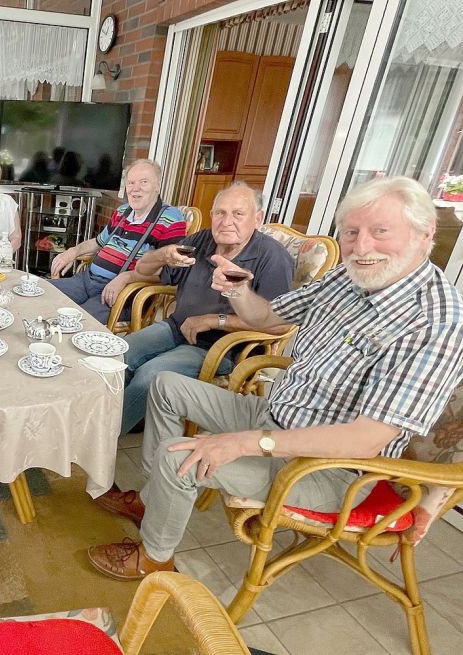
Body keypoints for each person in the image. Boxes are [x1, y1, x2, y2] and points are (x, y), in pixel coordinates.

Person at [86, 176, 463, 581]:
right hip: (275, 413)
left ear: (426, 234)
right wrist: (236, 290)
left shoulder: (434, 321)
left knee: (181, 456)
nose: (362, 246)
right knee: (163, 386)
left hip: (330, 467)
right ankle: (150, 499)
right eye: (352, 232)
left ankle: (155, 558)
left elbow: (367, 438)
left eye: (380, 232)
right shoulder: (347, 279)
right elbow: (269, 317)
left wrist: (245, 443)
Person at [114, 182, 294, 435]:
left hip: (221, 347)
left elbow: (282, 323)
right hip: (176, 328)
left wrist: (214, 320)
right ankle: (127, 416)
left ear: (258, 219)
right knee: (118, 356)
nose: (226, 221)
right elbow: (143, 270)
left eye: (238, 214)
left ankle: (101, 440)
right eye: (220, 212)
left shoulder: (272, 257)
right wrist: (163, 254)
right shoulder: (201, 240)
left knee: (150, 374)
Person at [49, 159, 186, 324]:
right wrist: (72, 252)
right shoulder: (122, 211)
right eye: (131, 183)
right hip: (87, 280)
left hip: (122, 293)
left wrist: (127, 277)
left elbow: (170, 273)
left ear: (157, 186)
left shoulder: (170, 218)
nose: (135, 189)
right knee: (42, 294)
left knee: (73, 322)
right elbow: (98, 242)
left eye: (144, 182)